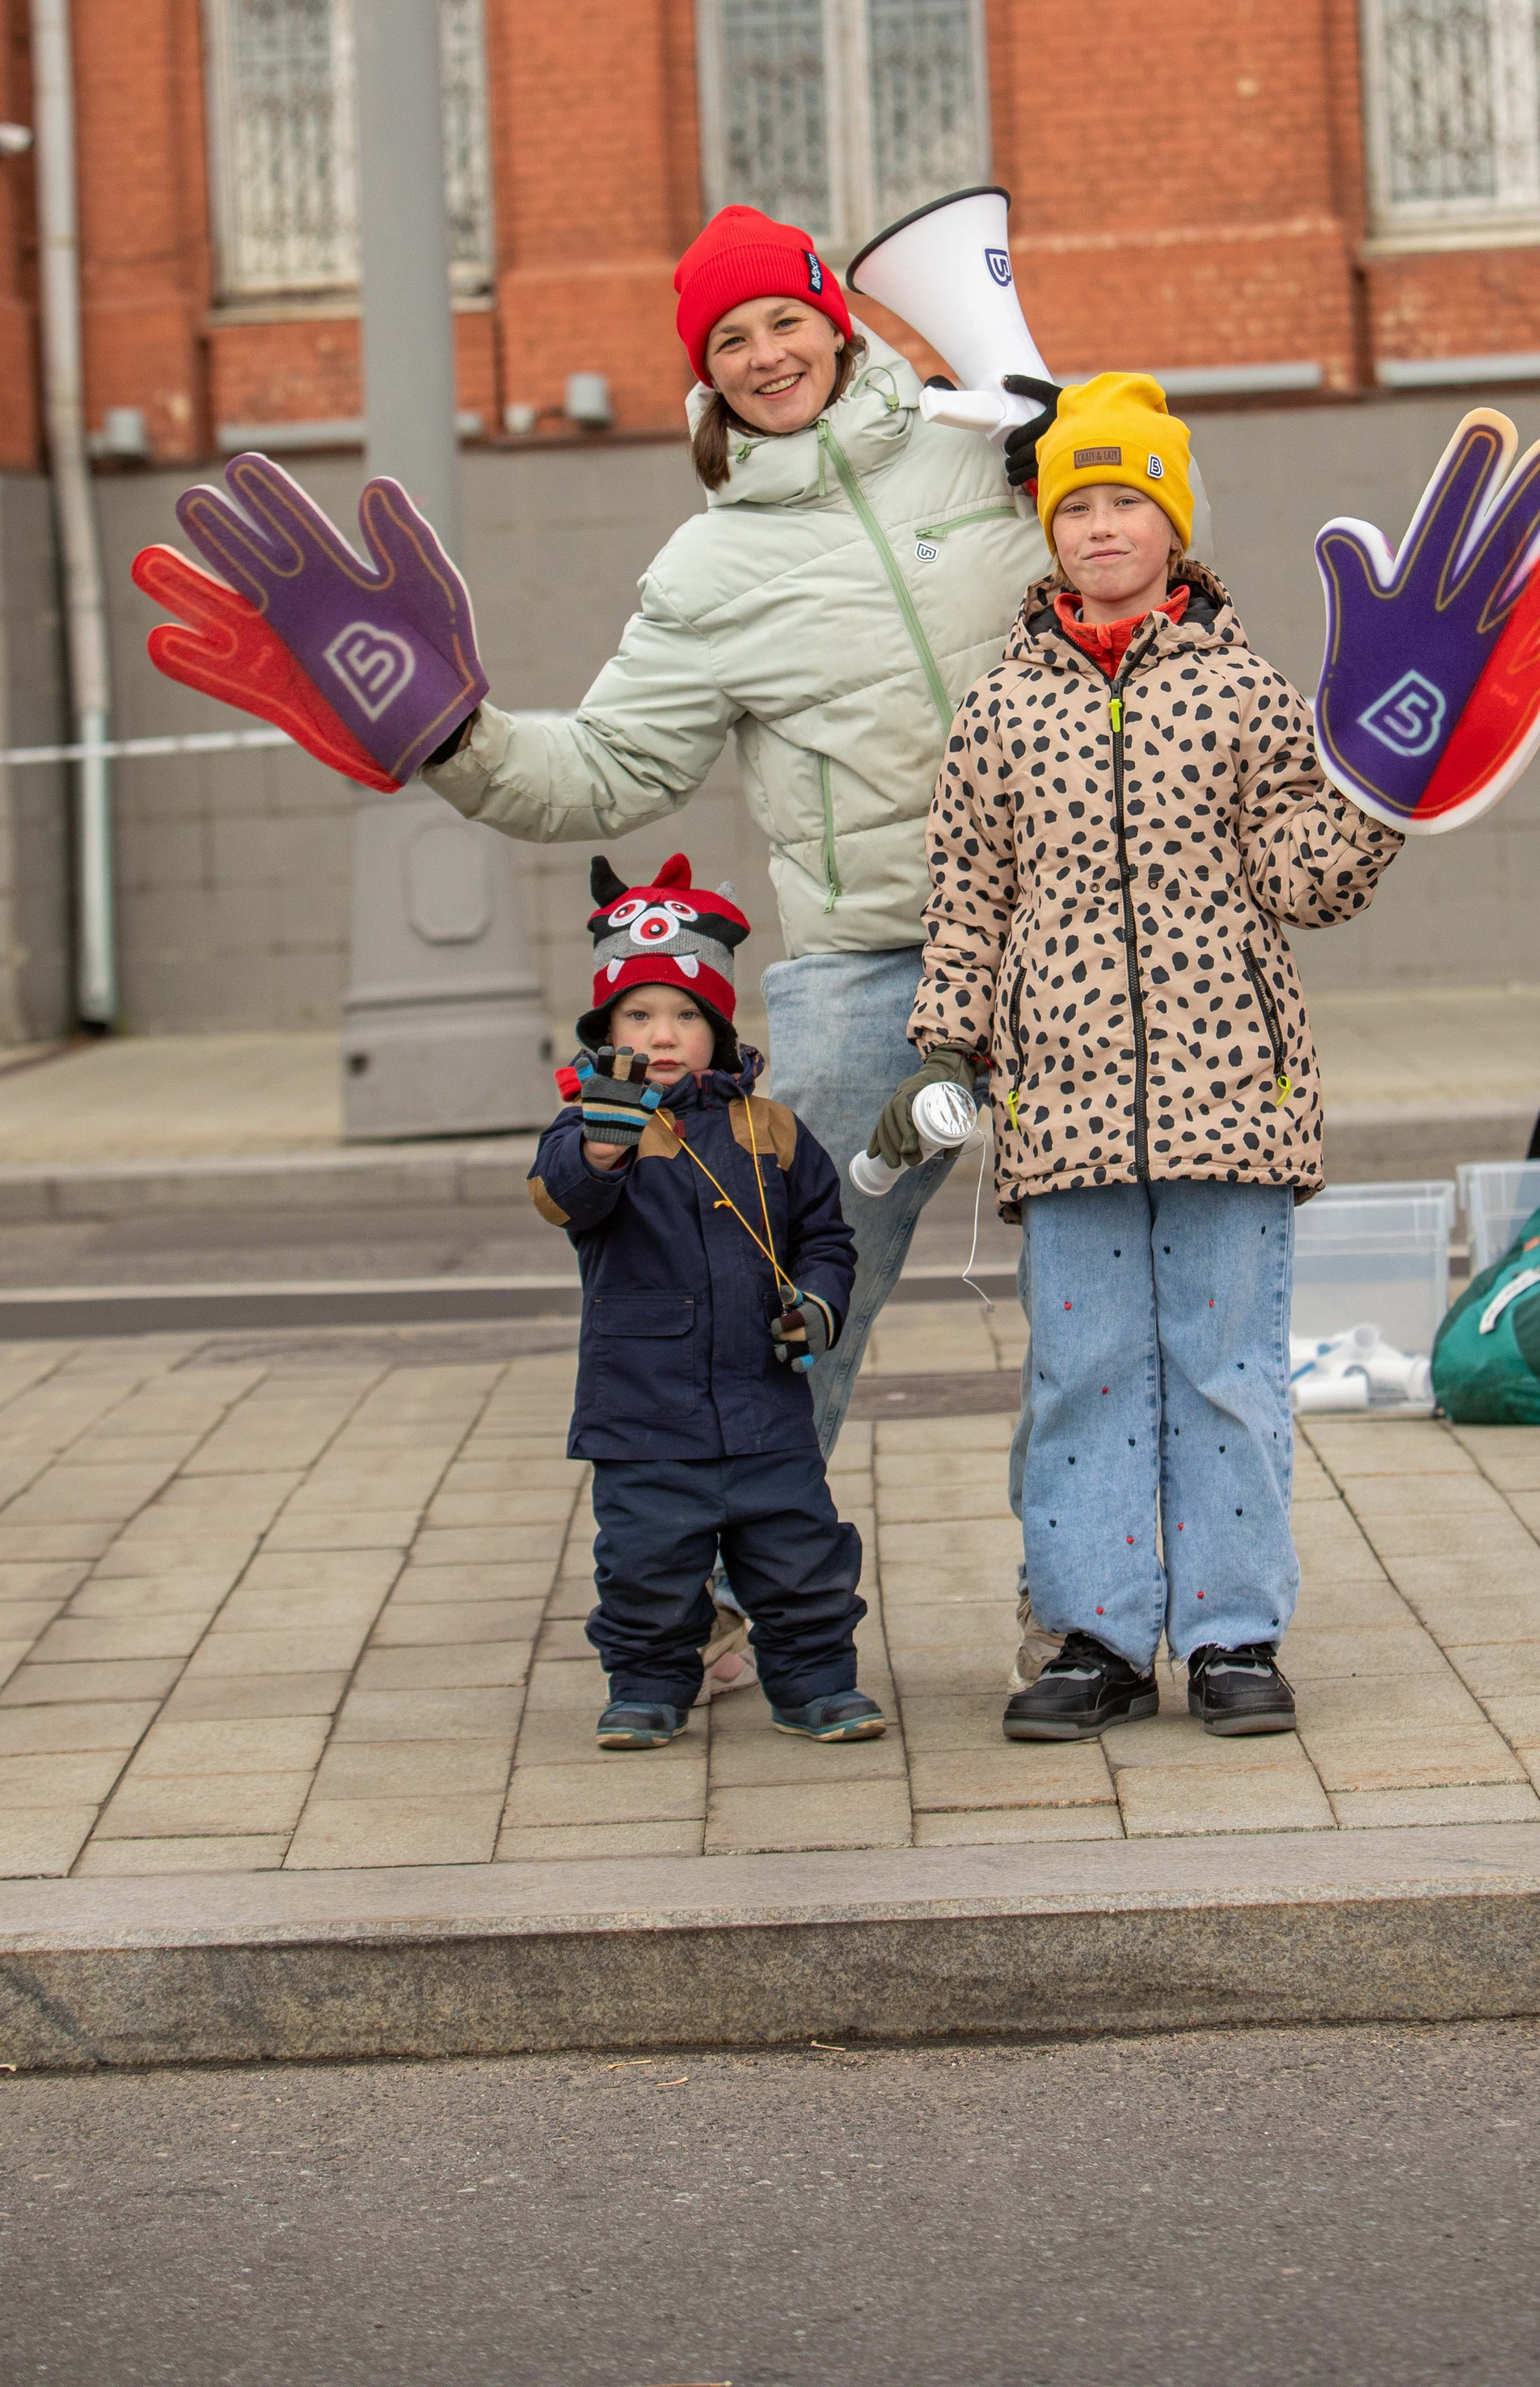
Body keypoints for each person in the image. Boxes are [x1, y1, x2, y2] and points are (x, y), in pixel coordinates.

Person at [424, 204, 1061, 1464]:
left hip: (1074, 933)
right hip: (875, 962)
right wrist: (453, 738)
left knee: (1097, 1307)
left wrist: (1087, 447)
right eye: (730, 341)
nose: (767, 356)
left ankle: (1080, 1612)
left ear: (836, 322)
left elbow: (1147, 565)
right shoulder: (706, 570)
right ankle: (727, 1580)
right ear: (703, 375)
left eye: (786, 321)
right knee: (782, 1287)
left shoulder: (984, 447)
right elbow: (606, 770)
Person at [870, 374, 1404, 1743]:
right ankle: (1095, 1633)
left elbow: (1304, 875)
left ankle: (1233, 1630)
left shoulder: (1246, 689)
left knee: (1225, 1367)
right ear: (1048, 531)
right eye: (1078, 505)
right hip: (1067, 1100)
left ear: (1173, 522)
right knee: (1084, 1371)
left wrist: (1384, 804)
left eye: (1127, 502)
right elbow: (970, 885)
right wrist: (952, 1034)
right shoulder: (1001, 706)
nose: (1101, 528)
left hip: (1234, 1089)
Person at [528, 852, 881, 1750]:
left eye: (686, 1015)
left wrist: (818, 1302)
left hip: (762, 1399)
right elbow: (563, 1196)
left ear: (718, 1029)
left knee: (800, 1556)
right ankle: (647, 1684)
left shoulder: (767, 1128)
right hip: (643, 1410)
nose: (662, 1032)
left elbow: (826, 1238)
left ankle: (814, 1682)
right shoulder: (591, 1125)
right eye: (639, 1014)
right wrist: (599, 1152)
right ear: (606, 1025)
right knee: (647, 1564)